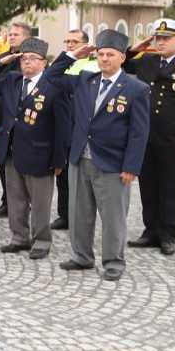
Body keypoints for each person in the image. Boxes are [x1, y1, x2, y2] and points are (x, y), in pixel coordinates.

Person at [44, 30, 150, 281]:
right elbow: (50, 76)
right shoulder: (85, 80)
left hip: (113, 164)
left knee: (113, 217)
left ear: (122, 58)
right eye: (101, 54)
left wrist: (131, 166)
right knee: (79, 211)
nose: (104, 59)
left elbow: (139, 132)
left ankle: (113, 262)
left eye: (110, 55)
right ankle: (82, 256)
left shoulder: (136, 88)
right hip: (80, 158)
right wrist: (71, 55)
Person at [124, 18, 175, 256]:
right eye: (157, 38)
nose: (160, 43)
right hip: (145, 137)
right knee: (148, 186)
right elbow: (120, 63)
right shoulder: (147, 62)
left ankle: (167, 235)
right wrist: (135, 48)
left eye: (165, 39)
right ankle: (150, 231)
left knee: (169, 187)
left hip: (173, 139)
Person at [0, 38, 71, 259]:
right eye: (24, 58)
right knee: (15, 198)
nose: (27, 63)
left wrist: (60, 159)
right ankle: (19, 237)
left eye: (33, 59)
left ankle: (41, 240)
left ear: (44, 62)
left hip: (41, 153)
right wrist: (3, 62)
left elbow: (63, 126)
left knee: (40, 202)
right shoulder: (12, 80)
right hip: (12, 150)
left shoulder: (54, 86)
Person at [50, 29, 100, 231]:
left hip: (84, 128)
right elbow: (51, 77)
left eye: (75, 41)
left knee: (84, 178)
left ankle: (83, 217)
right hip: (63, 126)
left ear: (86, 45)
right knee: (62, 176)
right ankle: (65, 214)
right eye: (67, 41)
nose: (70, 45)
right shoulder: (66, 63)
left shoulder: (94, 65)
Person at [0, 21, 32, 219]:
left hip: (23, 122)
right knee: (4, 164)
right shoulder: (3, 58)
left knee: (23, 166)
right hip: (1, 121)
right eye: (10, 34)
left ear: (27, 38)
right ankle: (7, 202)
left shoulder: (30, 59)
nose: (11, 37)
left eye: (16, 34)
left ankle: (24, 204)